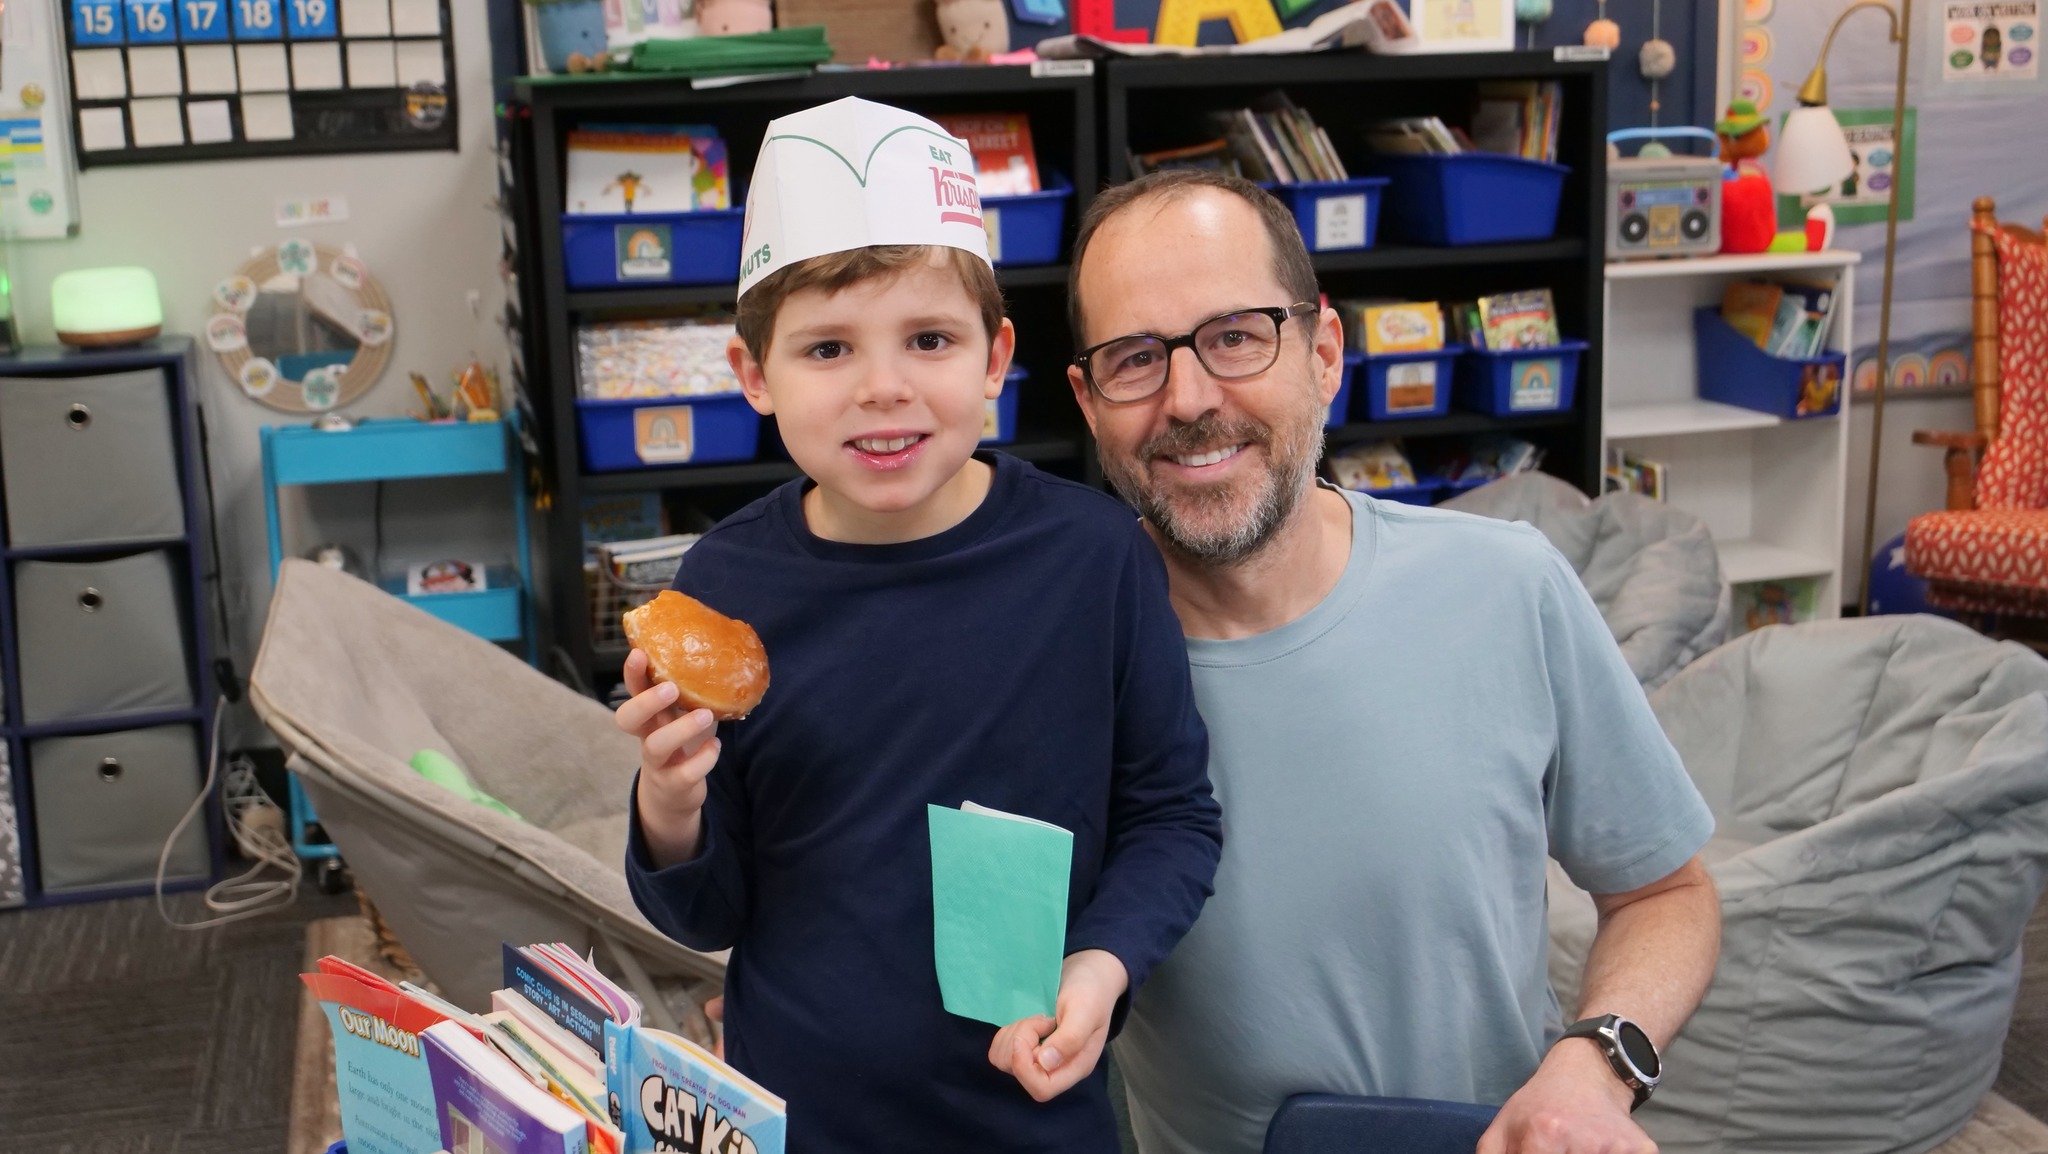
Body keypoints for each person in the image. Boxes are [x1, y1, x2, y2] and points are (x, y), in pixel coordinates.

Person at [1062, 169, 1722, 1154]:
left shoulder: (1506, 587)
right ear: (1085, 399)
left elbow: (1665, 894)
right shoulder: (1060, 655)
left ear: (1323, 350)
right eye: (1133, 358)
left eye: (1235, 336)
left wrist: (1593, 1064)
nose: (1188, 398)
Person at [615, 99, 1223, 1153]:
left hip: (1031, 1111)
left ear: (993, 358)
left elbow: (1171, 815)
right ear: (752, 375)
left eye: (928, 338)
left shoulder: (1092, 559)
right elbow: (706, 911)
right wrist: (669, 803)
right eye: (826, 349)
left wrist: (1104, 961)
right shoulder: (725, 583)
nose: (882, 387)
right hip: (802, 1110)